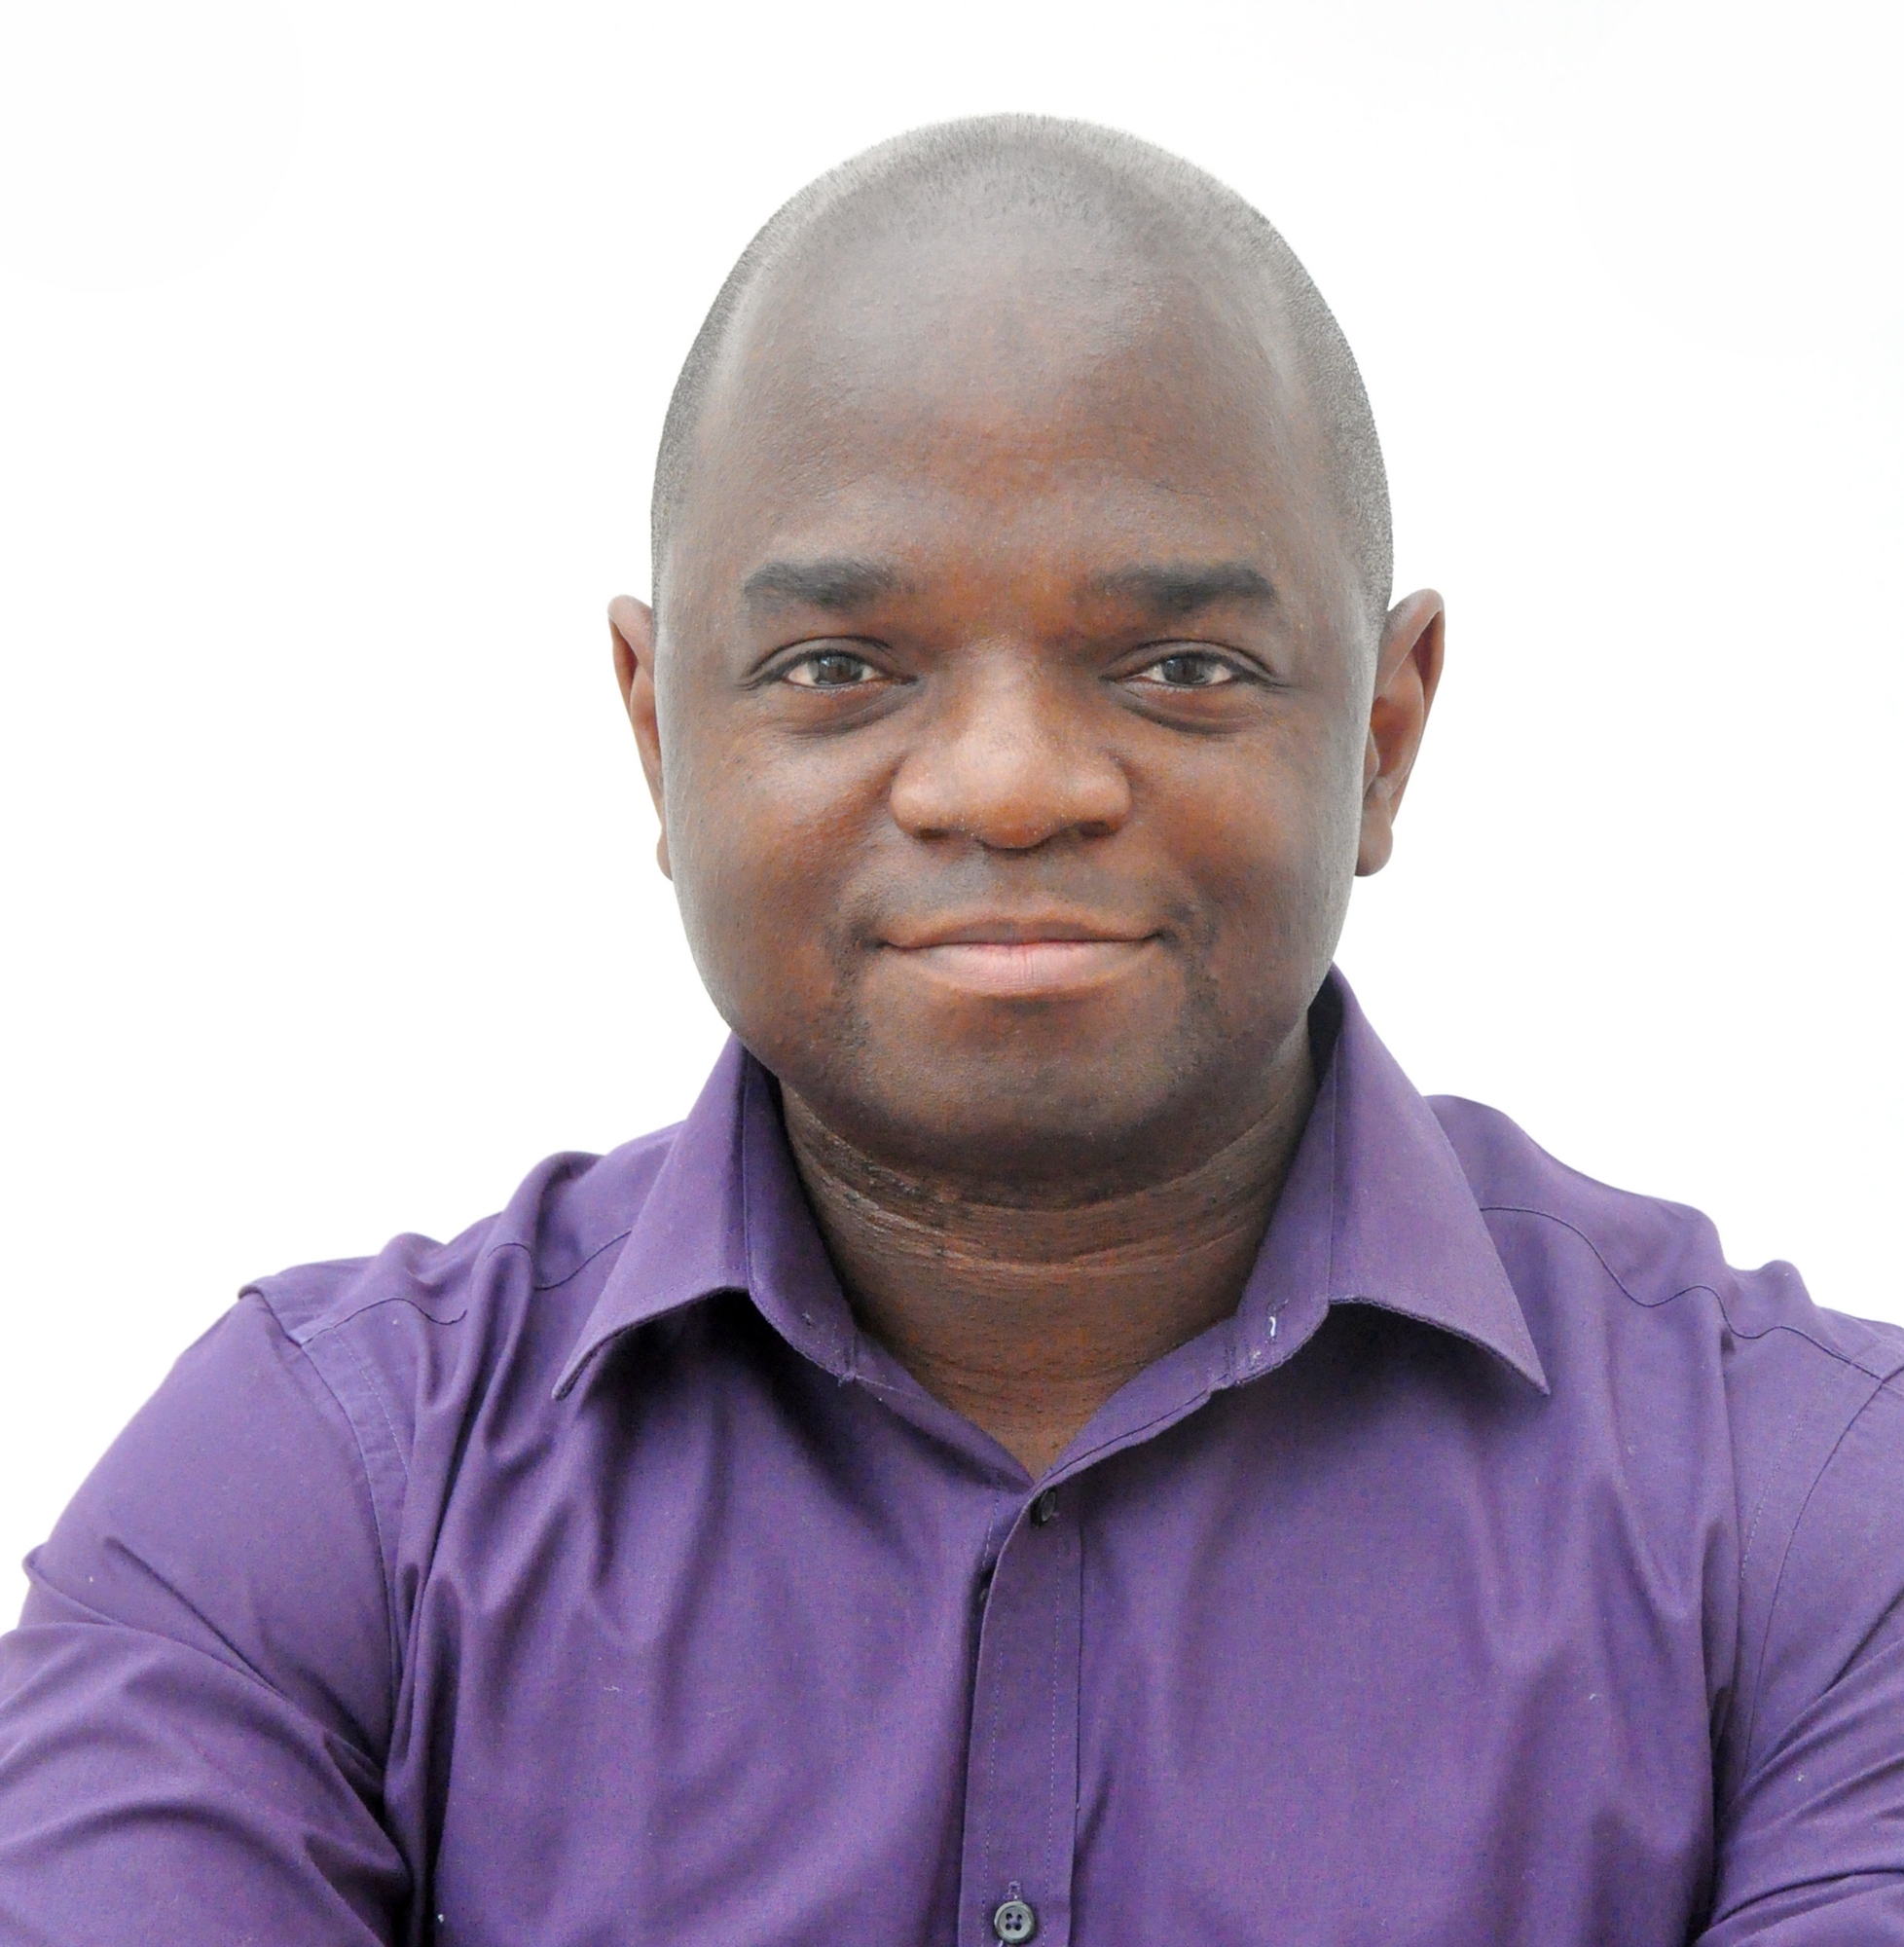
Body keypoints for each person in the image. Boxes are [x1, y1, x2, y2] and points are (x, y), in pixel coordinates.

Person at [2, 114, 1900, 1947]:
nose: (1008, 784)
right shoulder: (314, 1489)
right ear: (658, 730)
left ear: (1385, 735)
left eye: (1182, 667)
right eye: (839, 667)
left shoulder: (1816, 1514)